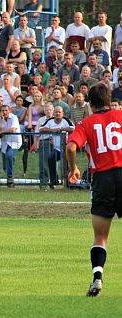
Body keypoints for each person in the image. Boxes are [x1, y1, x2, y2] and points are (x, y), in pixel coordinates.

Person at [66, 84, 122, 296]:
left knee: (100, 236)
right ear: (110, 99)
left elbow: (71, 147)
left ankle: (97, 279)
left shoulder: (86, 123)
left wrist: (74, 168)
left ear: (90, 103)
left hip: (103, 179)